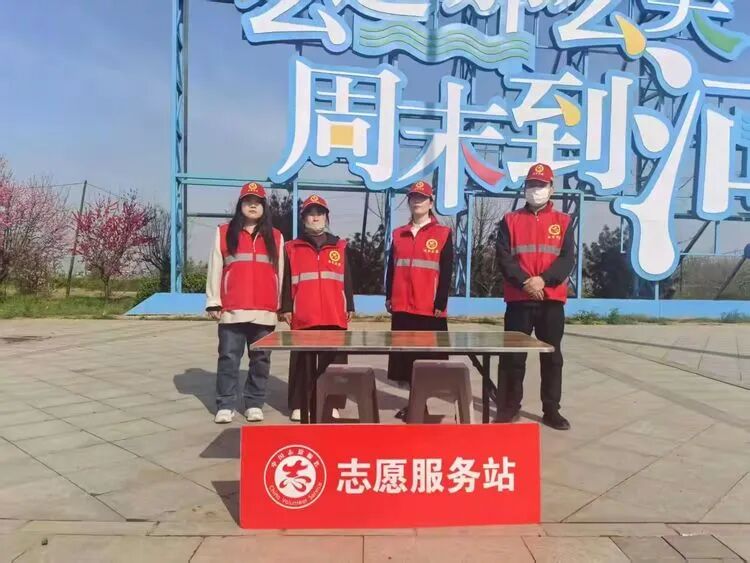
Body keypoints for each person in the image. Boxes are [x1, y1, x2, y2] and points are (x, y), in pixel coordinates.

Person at [496, 163, 574, 431]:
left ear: (551, 189)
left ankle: (551, 410)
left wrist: (544, 280)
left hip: (551, 300)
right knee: (512, 357)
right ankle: (509, 407)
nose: (535, 189)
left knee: (551, 357)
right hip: (519, 299)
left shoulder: (564, 222)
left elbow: (567, 259)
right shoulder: (510, 220)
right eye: (531, 185)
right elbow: (504, 258)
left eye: (541, 185)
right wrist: (525, 282)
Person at [205, 182, 283, 424]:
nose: (253, 205)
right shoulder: (224, 232)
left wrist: (281, 305)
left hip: (265, 311)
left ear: (264, 207)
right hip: (233, 310)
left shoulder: (276, 236)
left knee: (261, 360)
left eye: (258, 201)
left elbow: (280, 272)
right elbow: (215, 266)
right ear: (240, 205)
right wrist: (214, 301)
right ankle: (226, 404)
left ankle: (254, 403)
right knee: (229, 359)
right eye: (248, 201)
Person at [280, 194, 355, 422]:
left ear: (326, 217)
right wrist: (286, 307)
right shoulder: (292, 248)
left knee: (334, 362)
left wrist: (349, 304)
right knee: (301, 361)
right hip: (304, 312)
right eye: (310, 214)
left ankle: (332, 403)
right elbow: (286, 280)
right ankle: (299, 404)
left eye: (319, 213)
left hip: (334, 311)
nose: (315, 218)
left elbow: (346, 278)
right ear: (304, 218)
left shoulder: (339, 246)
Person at [385, 180, 454, 420]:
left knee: (426, 362)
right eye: (413, 197)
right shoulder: (398, 234)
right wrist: (389, 295)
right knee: (405, 361)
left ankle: (420, 404)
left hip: (428, 309)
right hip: (402, 307)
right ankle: (415, 404)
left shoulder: (442, 234)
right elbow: (392, 268)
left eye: (422, 198)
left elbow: (446, 271)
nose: (417, 201)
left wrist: (441, 302)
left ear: (431, 203)